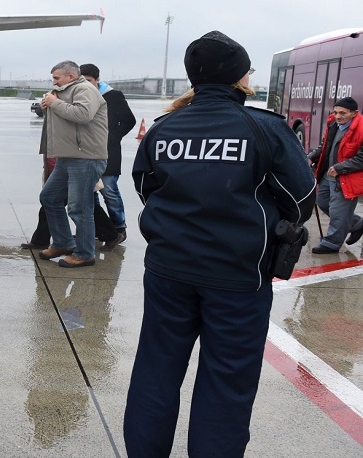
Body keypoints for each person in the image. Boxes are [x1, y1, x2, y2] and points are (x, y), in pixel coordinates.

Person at [124, 31, 316, 457]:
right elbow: (301, 199)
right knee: (227, 381)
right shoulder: (264, 127)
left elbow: (146, 189)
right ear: (240, 77)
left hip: (168, 270)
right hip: (238, 274)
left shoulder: (164, 128)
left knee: (155, 371)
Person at [37, 60, 108, 268]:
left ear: (70, 76)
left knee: (80, 208)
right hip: (67, 156)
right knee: (49, 197)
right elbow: (63, 120)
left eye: (56, 78)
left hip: (85, 157)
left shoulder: (85, 89)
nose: (53, 81)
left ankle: (85, 253)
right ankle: (63, 243)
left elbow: (83, 115)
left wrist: (54, 103)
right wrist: (47, 108)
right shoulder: (63, 91)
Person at [80, 63, 137, 246]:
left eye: (89, 80)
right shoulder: (79, 96)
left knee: (109, 191)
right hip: (86, 152)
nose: (85, 84)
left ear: (97, 80)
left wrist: (113, 137)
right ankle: (101, 229)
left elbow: (129, 120)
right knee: (90, 193)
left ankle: (119, 227)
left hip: (108, 153)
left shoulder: (113, 96)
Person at [307, 97, 363, 253]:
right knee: (322, 201)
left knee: (339, 211)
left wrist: (340, 167)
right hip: (329, 174)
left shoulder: (361, 129)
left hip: (347, 177)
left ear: (354, 113)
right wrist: (311, 157)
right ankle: (356, 224)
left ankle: (331, 243)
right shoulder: (333, 124)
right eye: (335, 112)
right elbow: (324, 146)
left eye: (342, 113)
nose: (338, 116)